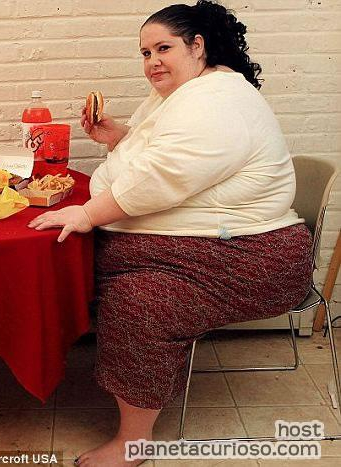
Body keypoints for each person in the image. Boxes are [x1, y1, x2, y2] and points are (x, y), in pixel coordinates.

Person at [28, 1, 313, 466]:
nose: (152, 62)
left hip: (250, 256)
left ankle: (134, 441)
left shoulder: (217, 100)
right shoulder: (184, 93)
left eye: (164, 48)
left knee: (140, 300)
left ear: (197, 46)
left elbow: (163, 175)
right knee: (80, 253)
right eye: (145, 53)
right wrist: (119, 137)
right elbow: (158, 152)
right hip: (211, 241)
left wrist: (89, 213)